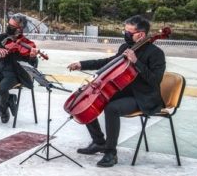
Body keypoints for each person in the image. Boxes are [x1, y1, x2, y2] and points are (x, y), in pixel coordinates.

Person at [67, 15, 166, 167]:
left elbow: (154, 80)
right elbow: (109, 63)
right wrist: (82, 64)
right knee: (88, 101)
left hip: (143, 97)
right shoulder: (125, 48)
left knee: (111, 108)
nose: (125, 35)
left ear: (141, 34)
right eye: (124, 31)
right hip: (124, 91)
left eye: (129, 32)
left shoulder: (156, 53)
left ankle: (110, 153)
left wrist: (136, 62)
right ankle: (99, 142)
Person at [0, 14, 39, 124]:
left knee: (2, 89)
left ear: (20, 28)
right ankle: (9, 99)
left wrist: (33, 56)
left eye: (11, 25)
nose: (8, 26)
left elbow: (33, 65)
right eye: (9, 24)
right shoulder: (4, 38)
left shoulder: (28, 44)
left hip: (14, 74)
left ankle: (3, 110)